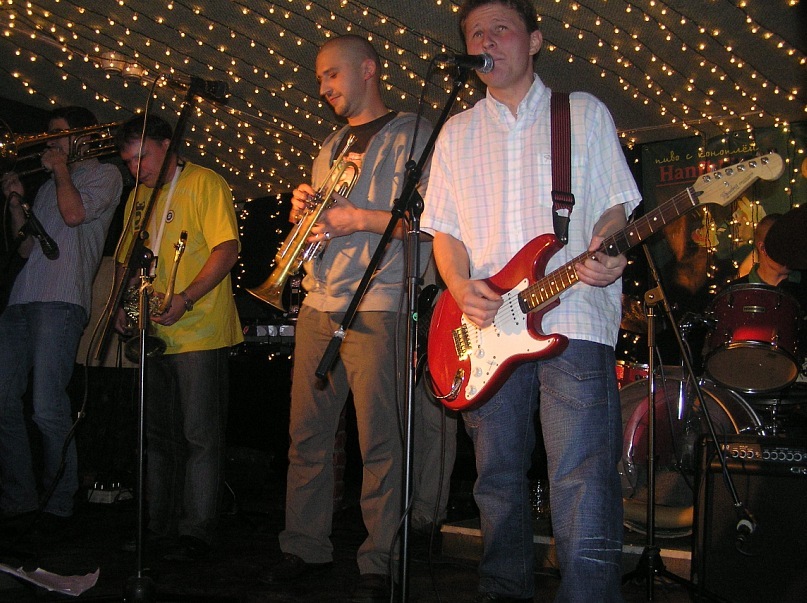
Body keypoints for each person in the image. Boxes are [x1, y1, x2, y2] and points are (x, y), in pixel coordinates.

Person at [422, 1, 642, 601]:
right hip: (486, 330)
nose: (486, 40)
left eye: (501, 28)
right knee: (495, 478)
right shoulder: (455, 132)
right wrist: (459, 286)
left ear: (535, 40)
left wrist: (610, 247)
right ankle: (502, 589)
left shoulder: (581, 113)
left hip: (574, 313)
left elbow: (614, 207)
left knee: (581, 474)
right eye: (475, 33)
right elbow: (445, 232)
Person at [260, 35, 432, 602]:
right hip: (320, 301)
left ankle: (379, 557)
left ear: (368, 69)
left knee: (380, 439)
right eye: (319, 79)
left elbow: (431, 224)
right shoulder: (330, 145)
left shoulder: (414, 134)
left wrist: (357, 218)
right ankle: (303, 544)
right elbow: (324, 225)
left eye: (332, 74)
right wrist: (306, 214)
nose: (324, 88)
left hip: (379, 302)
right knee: (307, 436)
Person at [113, 114, 243, 560]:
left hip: (200, 329)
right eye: (129, 162)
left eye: (142, 157)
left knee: (199, 435)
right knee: (158, 436)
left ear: (167, 145)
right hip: (154, 329)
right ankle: (157, 527)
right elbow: (130, 261)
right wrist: (125, 307)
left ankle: (196, 532)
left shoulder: (205, 182)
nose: (137, 169)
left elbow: (227, 249)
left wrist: (186, 298)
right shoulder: (137, 198)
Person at [0, 106, 122, 526]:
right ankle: (19, 497)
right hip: (22, 299)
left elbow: (74, 216)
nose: (48, 141)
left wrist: (60, 172)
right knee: (2, 401)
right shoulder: (51, 183)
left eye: (57, 133)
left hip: (61, 300)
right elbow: (25, 248)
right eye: (47, 134)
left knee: (47, 407)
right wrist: (16, 203)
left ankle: (58, 504)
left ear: (84, 137)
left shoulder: (105, 174)